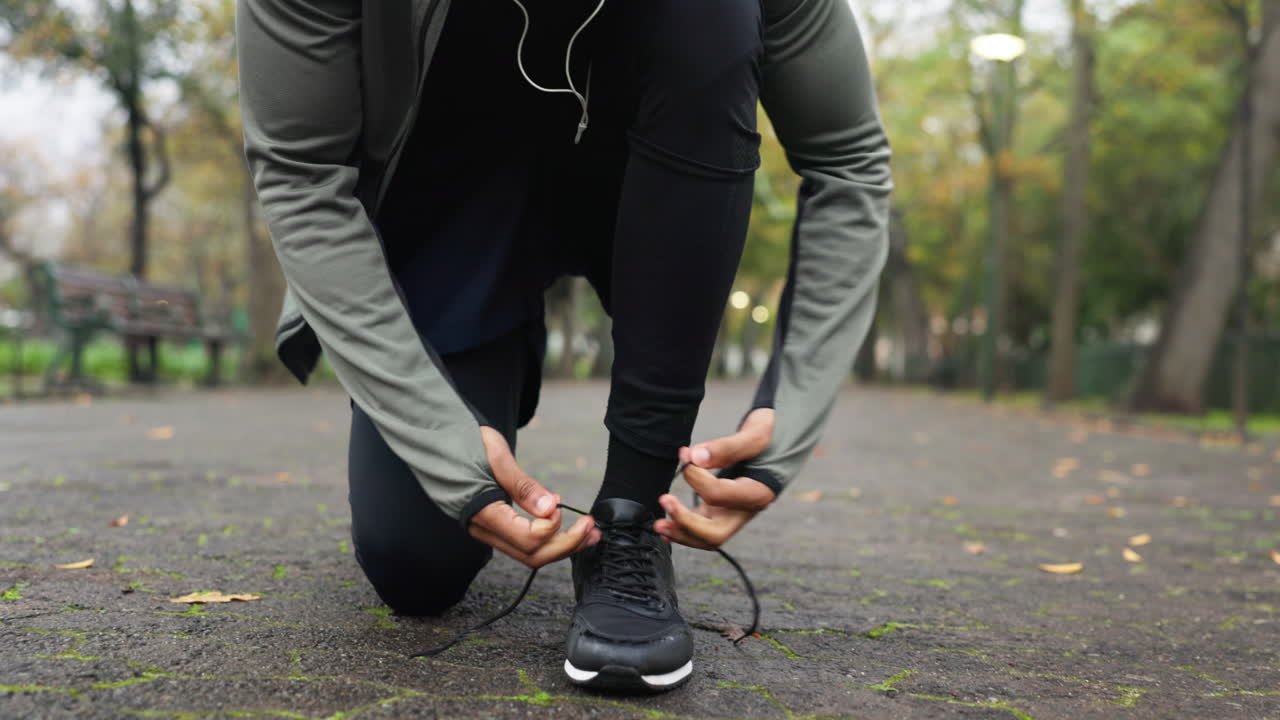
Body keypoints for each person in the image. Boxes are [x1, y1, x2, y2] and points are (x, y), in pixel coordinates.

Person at [236, 0, 890, 693]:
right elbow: (301, 176)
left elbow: (848, 163)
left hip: (659, 183)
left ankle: (630, 519)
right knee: (414, 563)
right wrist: (438, 435)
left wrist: (792, 412)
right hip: (457, 195)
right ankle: (498, 335)